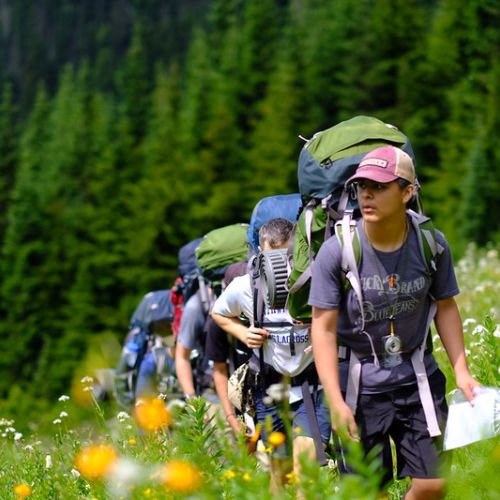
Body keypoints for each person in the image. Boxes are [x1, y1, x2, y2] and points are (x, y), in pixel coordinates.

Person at [309, 145, 480, 499]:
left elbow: (445, 306)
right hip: (358, 385)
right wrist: (334, 400)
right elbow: (322, 328)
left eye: (380, 185)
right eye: (361, 185)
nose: (366, 193)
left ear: (407, 192)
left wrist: (462, 371)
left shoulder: (431, 243)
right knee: (369, 492)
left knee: (434, 485)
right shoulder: (338, 250)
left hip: (417, 378)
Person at [212, 218, 331, 490]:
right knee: (281, 475)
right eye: (271, 254)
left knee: (305, 472)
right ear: (260, 251)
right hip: (269, 387)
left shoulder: (313, 277)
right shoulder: (246, 285)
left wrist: (324, 335)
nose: (279, 265)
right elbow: (219, 313)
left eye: (286, 255)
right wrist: (242, 333)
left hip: (312, 386)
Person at [205, 261, 252, 436]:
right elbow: (219, 370)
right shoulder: (216, 323)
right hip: (241, 395)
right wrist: (231, 416)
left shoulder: (265, 312)